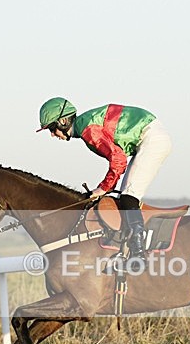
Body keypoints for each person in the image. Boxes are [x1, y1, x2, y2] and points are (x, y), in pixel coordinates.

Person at [37, 97, 172, 259]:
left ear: (63, 121)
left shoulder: (88, 130)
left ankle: (138, 251)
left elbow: (118, 159)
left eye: (52, 129)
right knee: (124, 198)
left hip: (151, 140)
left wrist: (103, 188)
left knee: (129, 196)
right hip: (148, 137)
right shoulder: (84, 124)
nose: (53, 135)